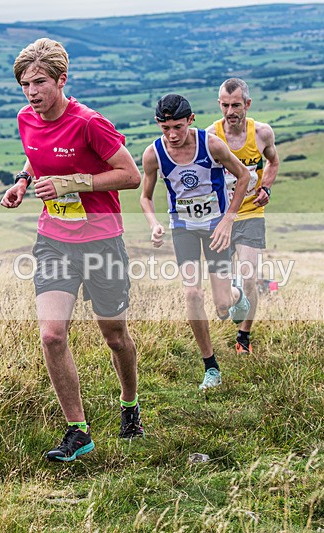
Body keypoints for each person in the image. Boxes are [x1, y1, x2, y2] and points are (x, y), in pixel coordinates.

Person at [0, 38, 144, 462]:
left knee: (114, 335)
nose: (32, 92)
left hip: (102, 241)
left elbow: (131, 176)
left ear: (62, 80)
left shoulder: (90, 123)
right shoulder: (27, 118)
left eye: (40, 82)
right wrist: (22, 182)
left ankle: (130, 406)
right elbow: (36, 156)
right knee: (51, 334)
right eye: (25, 84)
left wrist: (73, 182)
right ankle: (78, 431)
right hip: (54, 241)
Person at [139, 94, 251, 391]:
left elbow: (243, 176)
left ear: (190, 120)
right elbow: (145, 197)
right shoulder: (153, 154)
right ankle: (211, 367)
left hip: (216, 227)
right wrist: (154, 224)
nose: (173, 135)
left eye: (178, 127)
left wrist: (229, 219)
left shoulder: (210, 144)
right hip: (184, 228)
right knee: (191, 295)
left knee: (222, 305)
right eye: (165, 129)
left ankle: (237, 295)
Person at [207, 78, 280, 355]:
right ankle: (232, 297)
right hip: (220, 217)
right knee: (221, 300)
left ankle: (243, 338)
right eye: (225, 105)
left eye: (236, 105)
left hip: (250, 212)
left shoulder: (262, 134)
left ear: (247, 104)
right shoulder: (210, 137)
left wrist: (267, 188)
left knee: (249, 276)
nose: (230, 112)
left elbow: (273, 161)